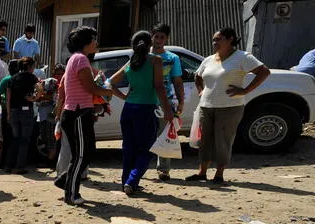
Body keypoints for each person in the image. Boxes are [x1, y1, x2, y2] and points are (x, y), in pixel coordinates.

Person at [186, 27, 269, 184]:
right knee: (204, 140)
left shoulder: (242, 57)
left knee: (223, 140)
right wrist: (201, 90)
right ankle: (202, 172)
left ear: (230, 39)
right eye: (214, 40)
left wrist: (245, 90)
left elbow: (264, 72)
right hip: (206, 106)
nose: (214, 42)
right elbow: (198, 76)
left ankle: (219, 174)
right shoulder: (209, 59)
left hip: (230, 107)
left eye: (218, 39)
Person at [53, 26, 113, 205]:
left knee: (87, 153)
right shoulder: (80, 59)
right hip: (77, 113)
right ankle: (71, 194)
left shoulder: (77, 59)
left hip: (79, 112)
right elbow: (91, 88)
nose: (96, 42)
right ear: (86, 43)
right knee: (80, 155)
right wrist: (113, 93)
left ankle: (65, 180)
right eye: (93, 39)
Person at [110, 31, 173, 196]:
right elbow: (159, 87)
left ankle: (126, 182)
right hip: (146, 109)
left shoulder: (131, 63)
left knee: (129, 148)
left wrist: (124, 96)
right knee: (148, 149)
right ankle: (131, 181)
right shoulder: (155, 60)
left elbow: (110, 83)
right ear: (150, 42)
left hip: (129, 109)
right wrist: (168, 110)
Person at [151, 23, 185, 181]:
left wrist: (181, 102)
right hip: (146, 101)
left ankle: (163, 170)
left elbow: (177, 81)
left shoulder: (172, 58)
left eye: (162, 37)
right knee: (145, 136)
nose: (158, 40)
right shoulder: (143, 55)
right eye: (156, 36)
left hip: (166, 102)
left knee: (164, 135)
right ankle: (139, 168)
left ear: (167, 39)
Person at [6, 57, 38, 174]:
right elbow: (35, 93)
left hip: (14, 111)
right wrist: (35, 98)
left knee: (15, 138)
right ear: (29, 67)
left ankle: (9, 165)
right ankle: (19, 166)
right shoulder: (33, 78)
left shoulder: (12, 79)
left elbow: (8, 98)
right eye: (33, 66)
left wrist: (8, 113)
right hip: (26, 111)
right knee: (24, 140)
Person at [0, 59, 19, 169]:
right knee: (15, 138)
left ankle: (1, 162)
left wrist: (0, 106)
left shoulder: (6, 79)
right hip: (16, 111)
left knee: (4, 138)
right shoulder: (19, 78)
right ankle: (11, 162)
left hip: (5, 110)